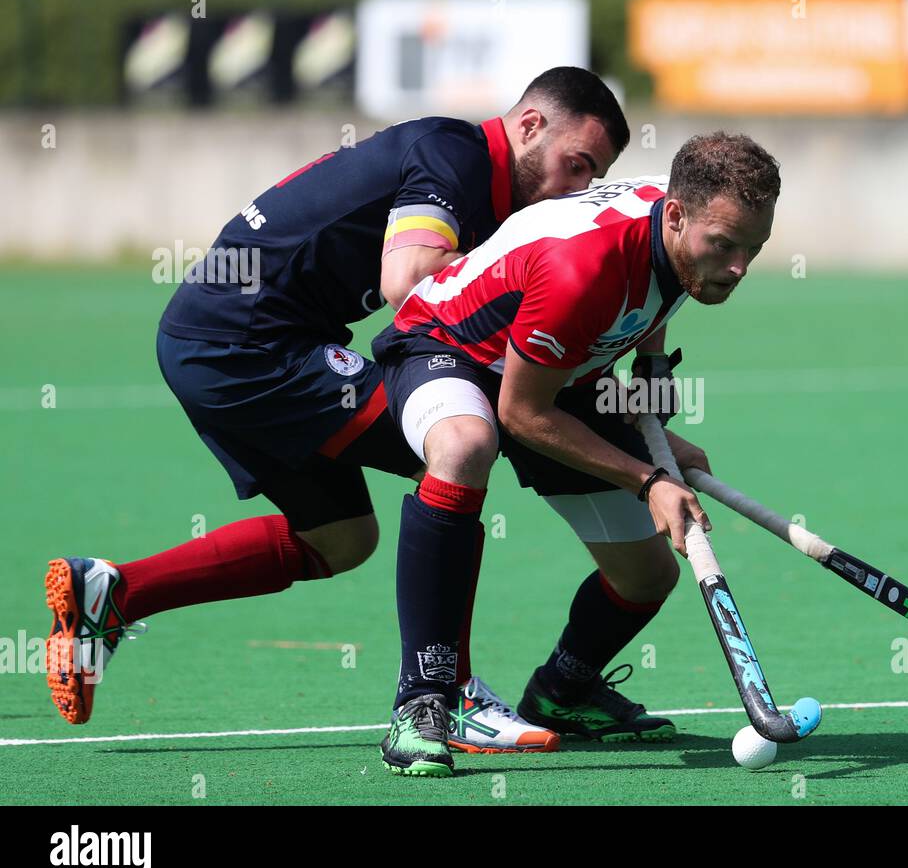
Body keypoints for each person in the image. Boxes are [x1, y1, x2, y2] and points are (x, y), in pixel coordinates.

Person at [44, 68, 629, 758]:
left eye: (591, 179)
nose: (574, 188)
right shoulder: (459, 158)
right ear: (531, 126)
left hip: (225, 339)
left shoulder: (477, 173)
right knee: (460, 437)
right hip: (247, 345)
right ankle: (450, 692)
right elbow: (407, 279)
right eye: (575, 165)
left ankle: (114, 593)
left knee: (343, 538)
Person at [370, 132, 780, 777]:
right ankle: (424, 701)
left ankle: (562, 693)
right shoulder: (581, 269)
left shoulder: (681, 233)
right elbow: (521, 413)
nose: (737, 268)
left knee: (648, 576)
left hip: (559, 368)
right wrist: (649, 481)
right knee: (465, 445)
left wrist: (647, 371)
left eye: (752, 250)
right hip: (449, 348)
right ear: (675, 215)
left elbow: (656, 285)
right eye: (724, 247)